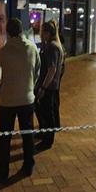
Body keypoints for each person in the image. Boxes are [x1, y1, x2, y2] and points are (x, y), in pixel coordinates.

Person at [0, 18, 40, 182]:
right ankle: (28, 166)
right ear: (22, 30)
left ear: (7, 32)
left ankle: (3, 171)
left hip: (7, 102)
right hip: (27, 99)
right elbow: (38, 70)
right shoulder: (32, 48)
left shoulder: (3, 51)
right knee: (27, 134)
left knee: (5, 137)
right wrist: (30, 86)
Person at [34, 20, 65, 151]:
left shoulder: (52, 47)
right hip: (49, 85)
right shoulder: (52, 45)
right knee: (43, 110)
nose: (40, 34)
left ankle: (48, 140)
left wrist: (43, 87)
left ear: (47, 33)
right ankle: (44, 132)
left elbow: (52, 69)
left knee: (47, 113)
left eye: (42, 32)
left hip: (49, 86)